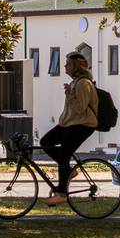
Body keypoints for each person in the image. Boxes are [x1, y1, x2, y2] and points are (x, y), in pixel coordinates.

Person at [40, 51, 98, 206]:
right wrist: (69, 93)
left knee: (64, 155)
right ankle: (69, 171)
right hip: (69, 123)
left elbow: (80, 108)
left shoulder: (83, 83)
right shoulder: (75, 82)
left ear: (76, 66)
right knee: (45, 141)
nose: (65, 66)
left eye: (68, 63)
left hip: (83, 124)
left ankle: (62, 193)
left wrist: (69, 95)